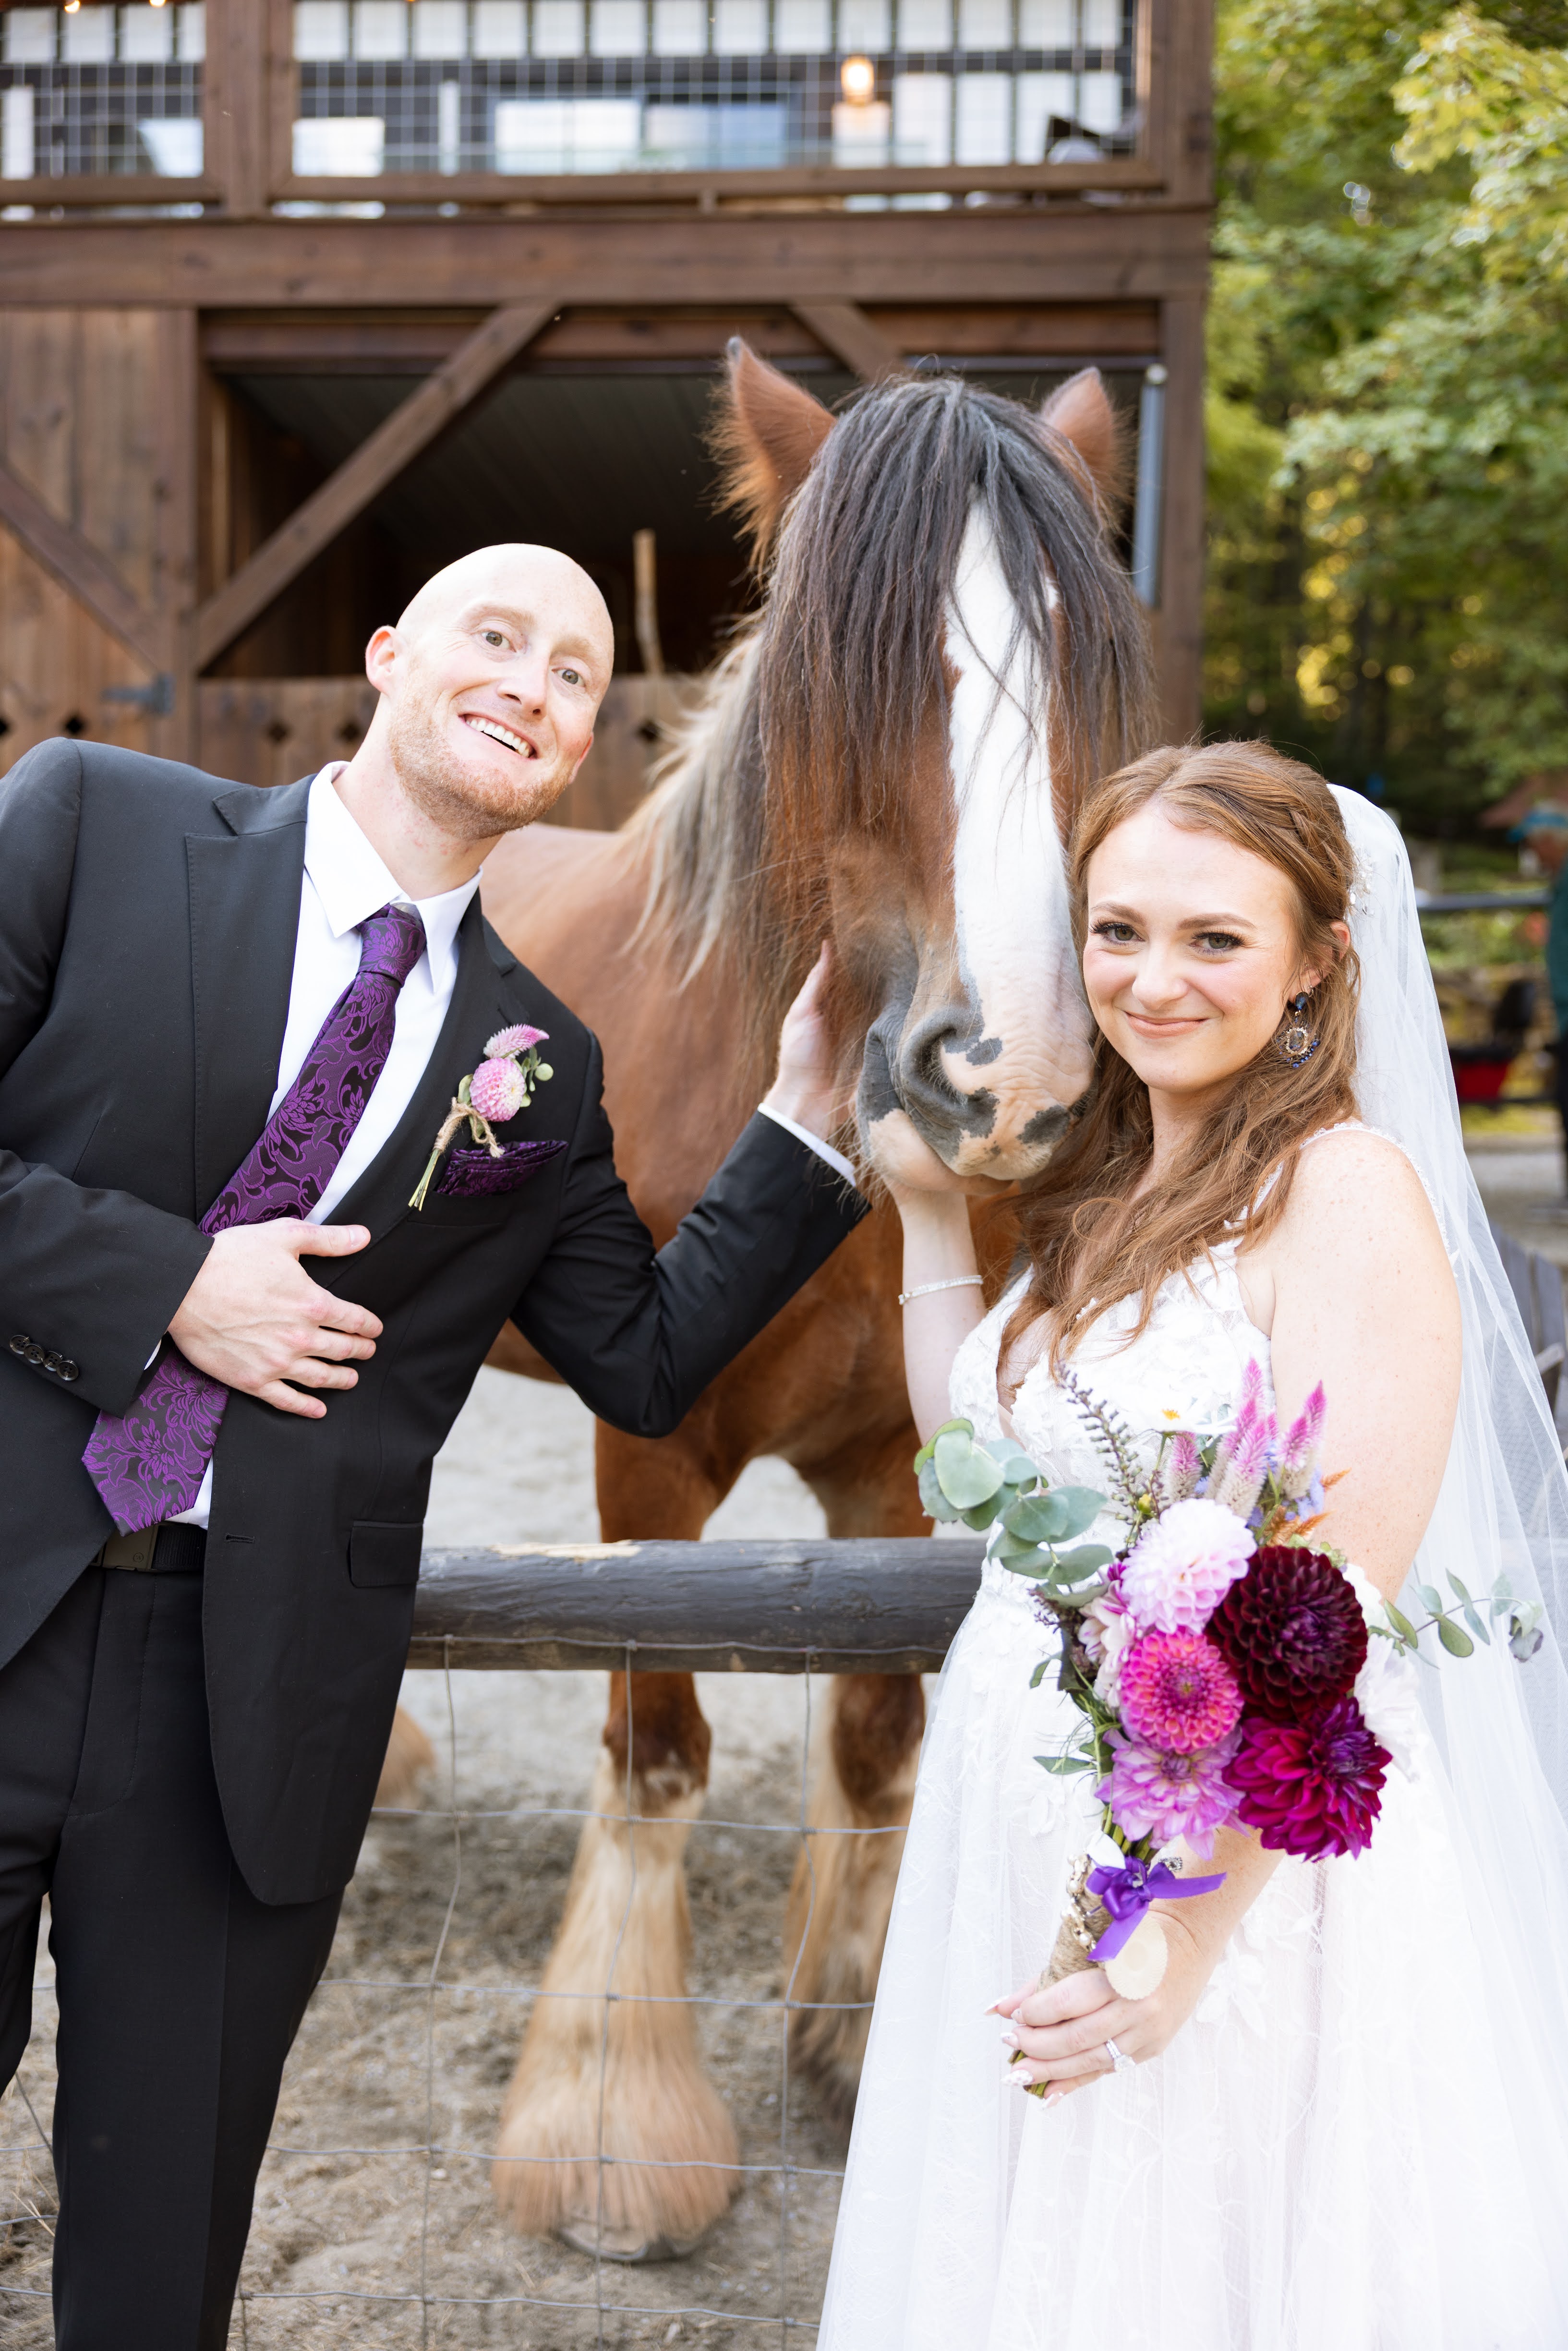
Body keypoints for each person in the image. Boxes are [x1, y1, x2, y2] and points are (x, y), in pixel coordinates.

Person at [0, 543, 863, 2349]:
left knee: (161, 2263)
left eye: (574, 670)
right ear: (390, 654)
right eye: (496, 634)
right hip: (6, 1583)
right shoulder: (90, 821)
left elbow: (645, 1361)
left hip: (238, 1702)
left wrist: (804, 1121)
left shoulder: (540, 1067)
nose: (532, 680)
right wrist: (170, 1287)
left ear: (580, 748)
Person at [819, 741, 1568, 2349]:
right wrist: (937, 1223)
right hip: (1019, 1806)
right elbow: (977, 1471)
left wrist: (1179, 1935)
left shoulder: (1342, 1188)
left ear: (1314, 964)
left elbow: (1329, 1610)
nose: (1150, 979)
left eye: (1213, 938)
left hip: (1227, 1872)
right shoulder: (1110, 1187)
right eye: (1116, 928)